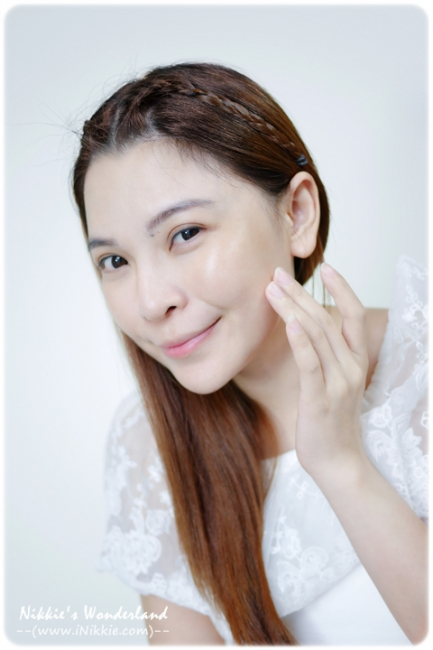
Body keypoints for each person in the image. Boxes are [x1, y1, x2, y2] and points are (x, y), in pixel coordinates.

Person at [72, 63, 428, 645]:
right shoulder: (148, 450)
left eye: (185, 233)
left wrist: (341, 465)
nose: (151, 301)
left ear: (296, 215)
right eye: (115, 261)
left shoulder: (421, 368)